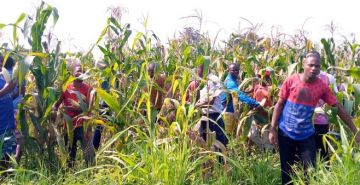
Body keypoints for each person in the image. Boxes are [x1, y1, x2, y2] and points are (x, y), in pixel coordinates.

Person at [268, 51, 360, 185]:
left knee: (310, 173)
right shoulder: (291, 80)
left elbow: (338, 107)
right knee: (287, 174)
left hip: (306, 135)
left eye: (317, 66)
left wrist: (354, 130)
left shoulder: (322, 87)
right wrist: (272, 129)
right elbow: (279, 104)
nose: (314, 68)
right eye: (311, 65)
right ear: (303, 64)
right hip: (286, 133)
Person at [52, 65, 95, 166]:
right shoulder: (66, 87)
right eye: (78, 71)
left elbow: (87, 108)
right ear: (72, 74)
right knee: (70, 152)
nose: (80, 74)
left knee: (89, 153)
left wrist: (71, 109)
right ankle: (70, 172)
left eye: (82, 72)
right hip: (69, 125)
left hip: (84, 125)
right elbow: (57, 103)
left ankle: (91, 172)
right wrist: (53, 110)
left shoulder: (89, 89)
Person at [195, 64, 228, 163]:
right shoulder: (202, 81)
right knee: (206, 143)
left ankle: (222, 167)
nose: (197, 72)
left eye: (198, 69)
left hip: (214, 117)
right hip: (205, 117)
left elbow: (211, 101)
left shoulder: (213, 80)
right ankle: (211, 167)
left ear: (203, 68)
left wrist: (195, 106)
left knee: (219, 143)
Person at [221, 63, 264, 135]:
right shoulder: (230, 82)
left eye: (237, 70)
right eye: (233, 70)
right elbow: (239, 95)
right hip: (227, 111)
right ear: (228, 71)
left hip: (230, 110)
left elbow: (239, 92)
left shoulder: (232, 80)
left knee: (230, 133)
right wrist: (256, 104)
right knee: (227, 134)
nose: (236, 72)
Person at [314, 71, 338, 161]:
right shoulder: (304, 76)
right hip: (309, 122)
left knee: (323, 151)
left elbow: (335, 98)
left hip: (322, 120)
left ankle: (325, 171)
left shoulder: (329, 77)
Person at [0, 54, 17, 171]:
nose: (1, 64)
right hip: (1, 124)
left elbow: (9, 96)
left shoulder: (3, 77)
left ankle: (6, 177)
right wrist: (7, 89)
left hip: (8, 123)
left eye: (2, 62)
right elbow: (5, 91)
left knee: (7, 154)